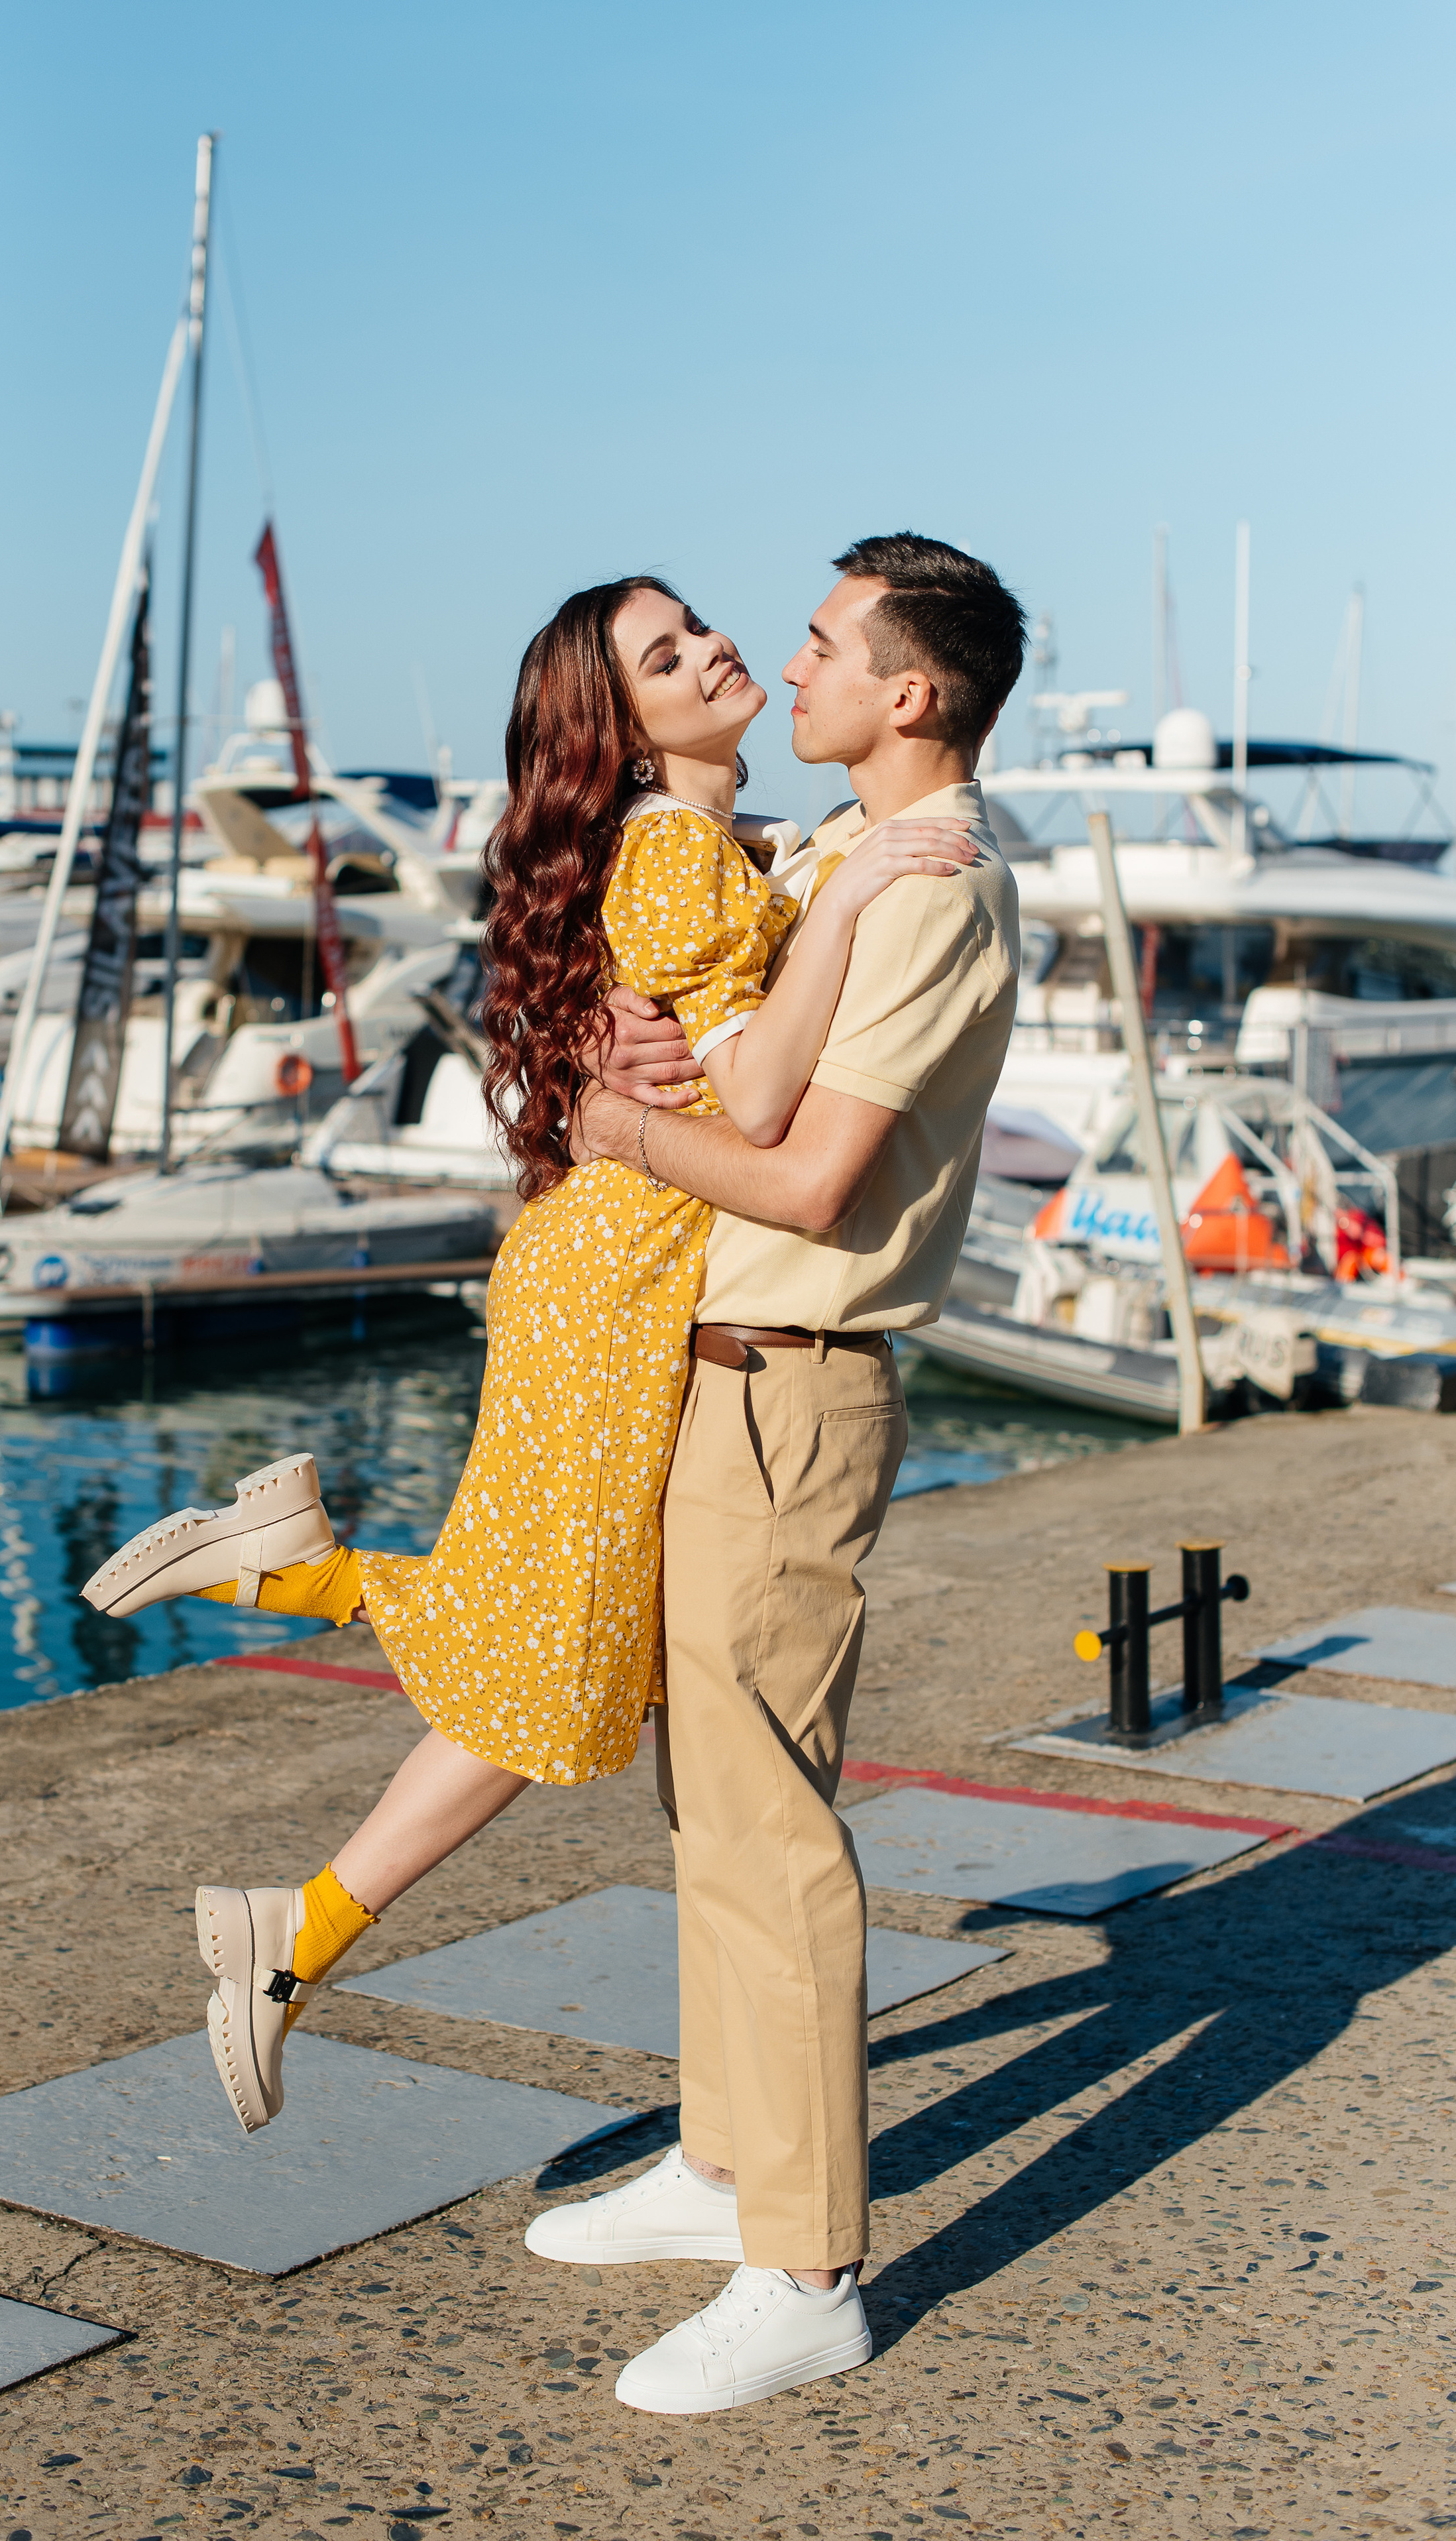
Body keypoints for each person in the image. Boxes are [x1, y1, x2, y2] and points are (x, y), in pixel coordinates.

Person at [82, 571, 978, 2149]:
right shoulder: (680, 855)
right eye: (664, 653)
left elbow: (708, 1027)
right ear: (619, 732)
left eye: (699, 623)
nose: (716, 648)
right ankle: (299, 1623)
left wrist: (788, 897)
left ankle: (293, 1845)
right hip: (618, 1282)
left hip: (620, 1269)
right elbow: (759, 1109)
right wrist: (832, 907)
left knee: (563, 1661)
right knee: (558, 1673)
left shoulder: (710, 850)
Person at [520, 534, 1025, 2416]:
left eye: (820, 644)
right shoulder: (838, 860)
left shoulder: (934, 892)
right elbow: (742, 1066)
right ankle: (725, 2164)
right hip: (721, 1377)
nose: (782, 660)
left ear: (909, 692)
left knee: (776, 1834)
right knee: (713, 1812)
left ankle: (806, 2265)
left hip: (790, 1386)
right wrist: (646, 1053)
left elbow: (808, 1180)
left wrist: (622, 1130)